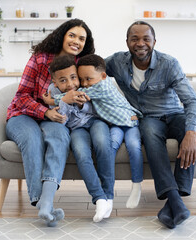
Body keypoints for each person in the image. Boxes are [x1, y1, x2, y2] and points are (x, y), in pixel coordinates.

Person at [105, 21, 196, 229]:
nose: (140, 43)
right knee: (149, 133)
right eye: (135, 39)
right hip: (148, 117)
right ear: (127, 42)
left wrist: (191, 133)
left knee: (193, 132)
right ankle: (175, 201)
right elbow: (90, 67)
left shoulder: (169, 64)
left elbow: (192, 101)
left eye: (146, 39)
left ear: (154, 42)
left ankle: (174, 200)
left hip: (174, 113)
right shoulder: (116, 62)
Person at [5, 18, 95, 227]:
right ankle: (42, 203)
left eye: (82, 38)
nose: (76, 41)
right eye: (72, 35)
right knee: (32, 139)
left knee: (60, 136)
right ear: (62, 35)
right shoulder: (39, 59)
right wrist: (45, 111)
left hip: (55, 115)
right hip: (23, 114)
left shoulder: (80, 65)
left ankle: (47, 201)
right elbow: (22, 96)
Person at [43, 54, 144, 221]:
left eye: (74, 77)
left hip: (96, 121)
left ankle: (108, 194)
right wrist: (60, 105)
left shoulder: (91, 86)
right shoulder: (52, 92)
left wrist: (74, 102)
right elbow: (61, 117)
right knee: (82, 155)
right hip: (76, 129)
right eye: (63, 80)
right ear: (55, 83)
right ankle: (99, 198)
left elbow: (92, 105)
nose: (71, 84)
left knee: (104, 144)